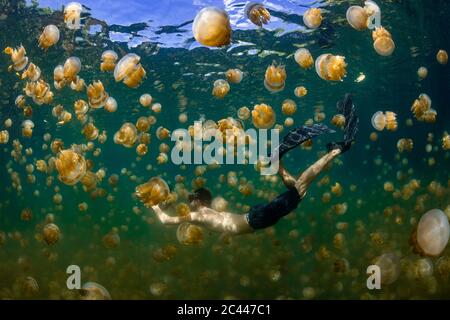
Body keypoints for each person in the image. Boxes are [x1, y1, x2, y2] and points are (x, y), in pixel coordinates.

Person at [151, 94, 359, 235]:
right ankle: (277, 163)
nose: (188, 202)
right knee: (295, 189)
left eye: (190, 198)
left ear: (200, 200)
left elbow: (166, 221)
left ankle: (337, 150)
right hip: (254, 216)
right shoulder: (205, 213)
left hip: (256, 219)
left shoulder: (198, 215)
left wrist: (154, 205)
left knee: (300, 189)